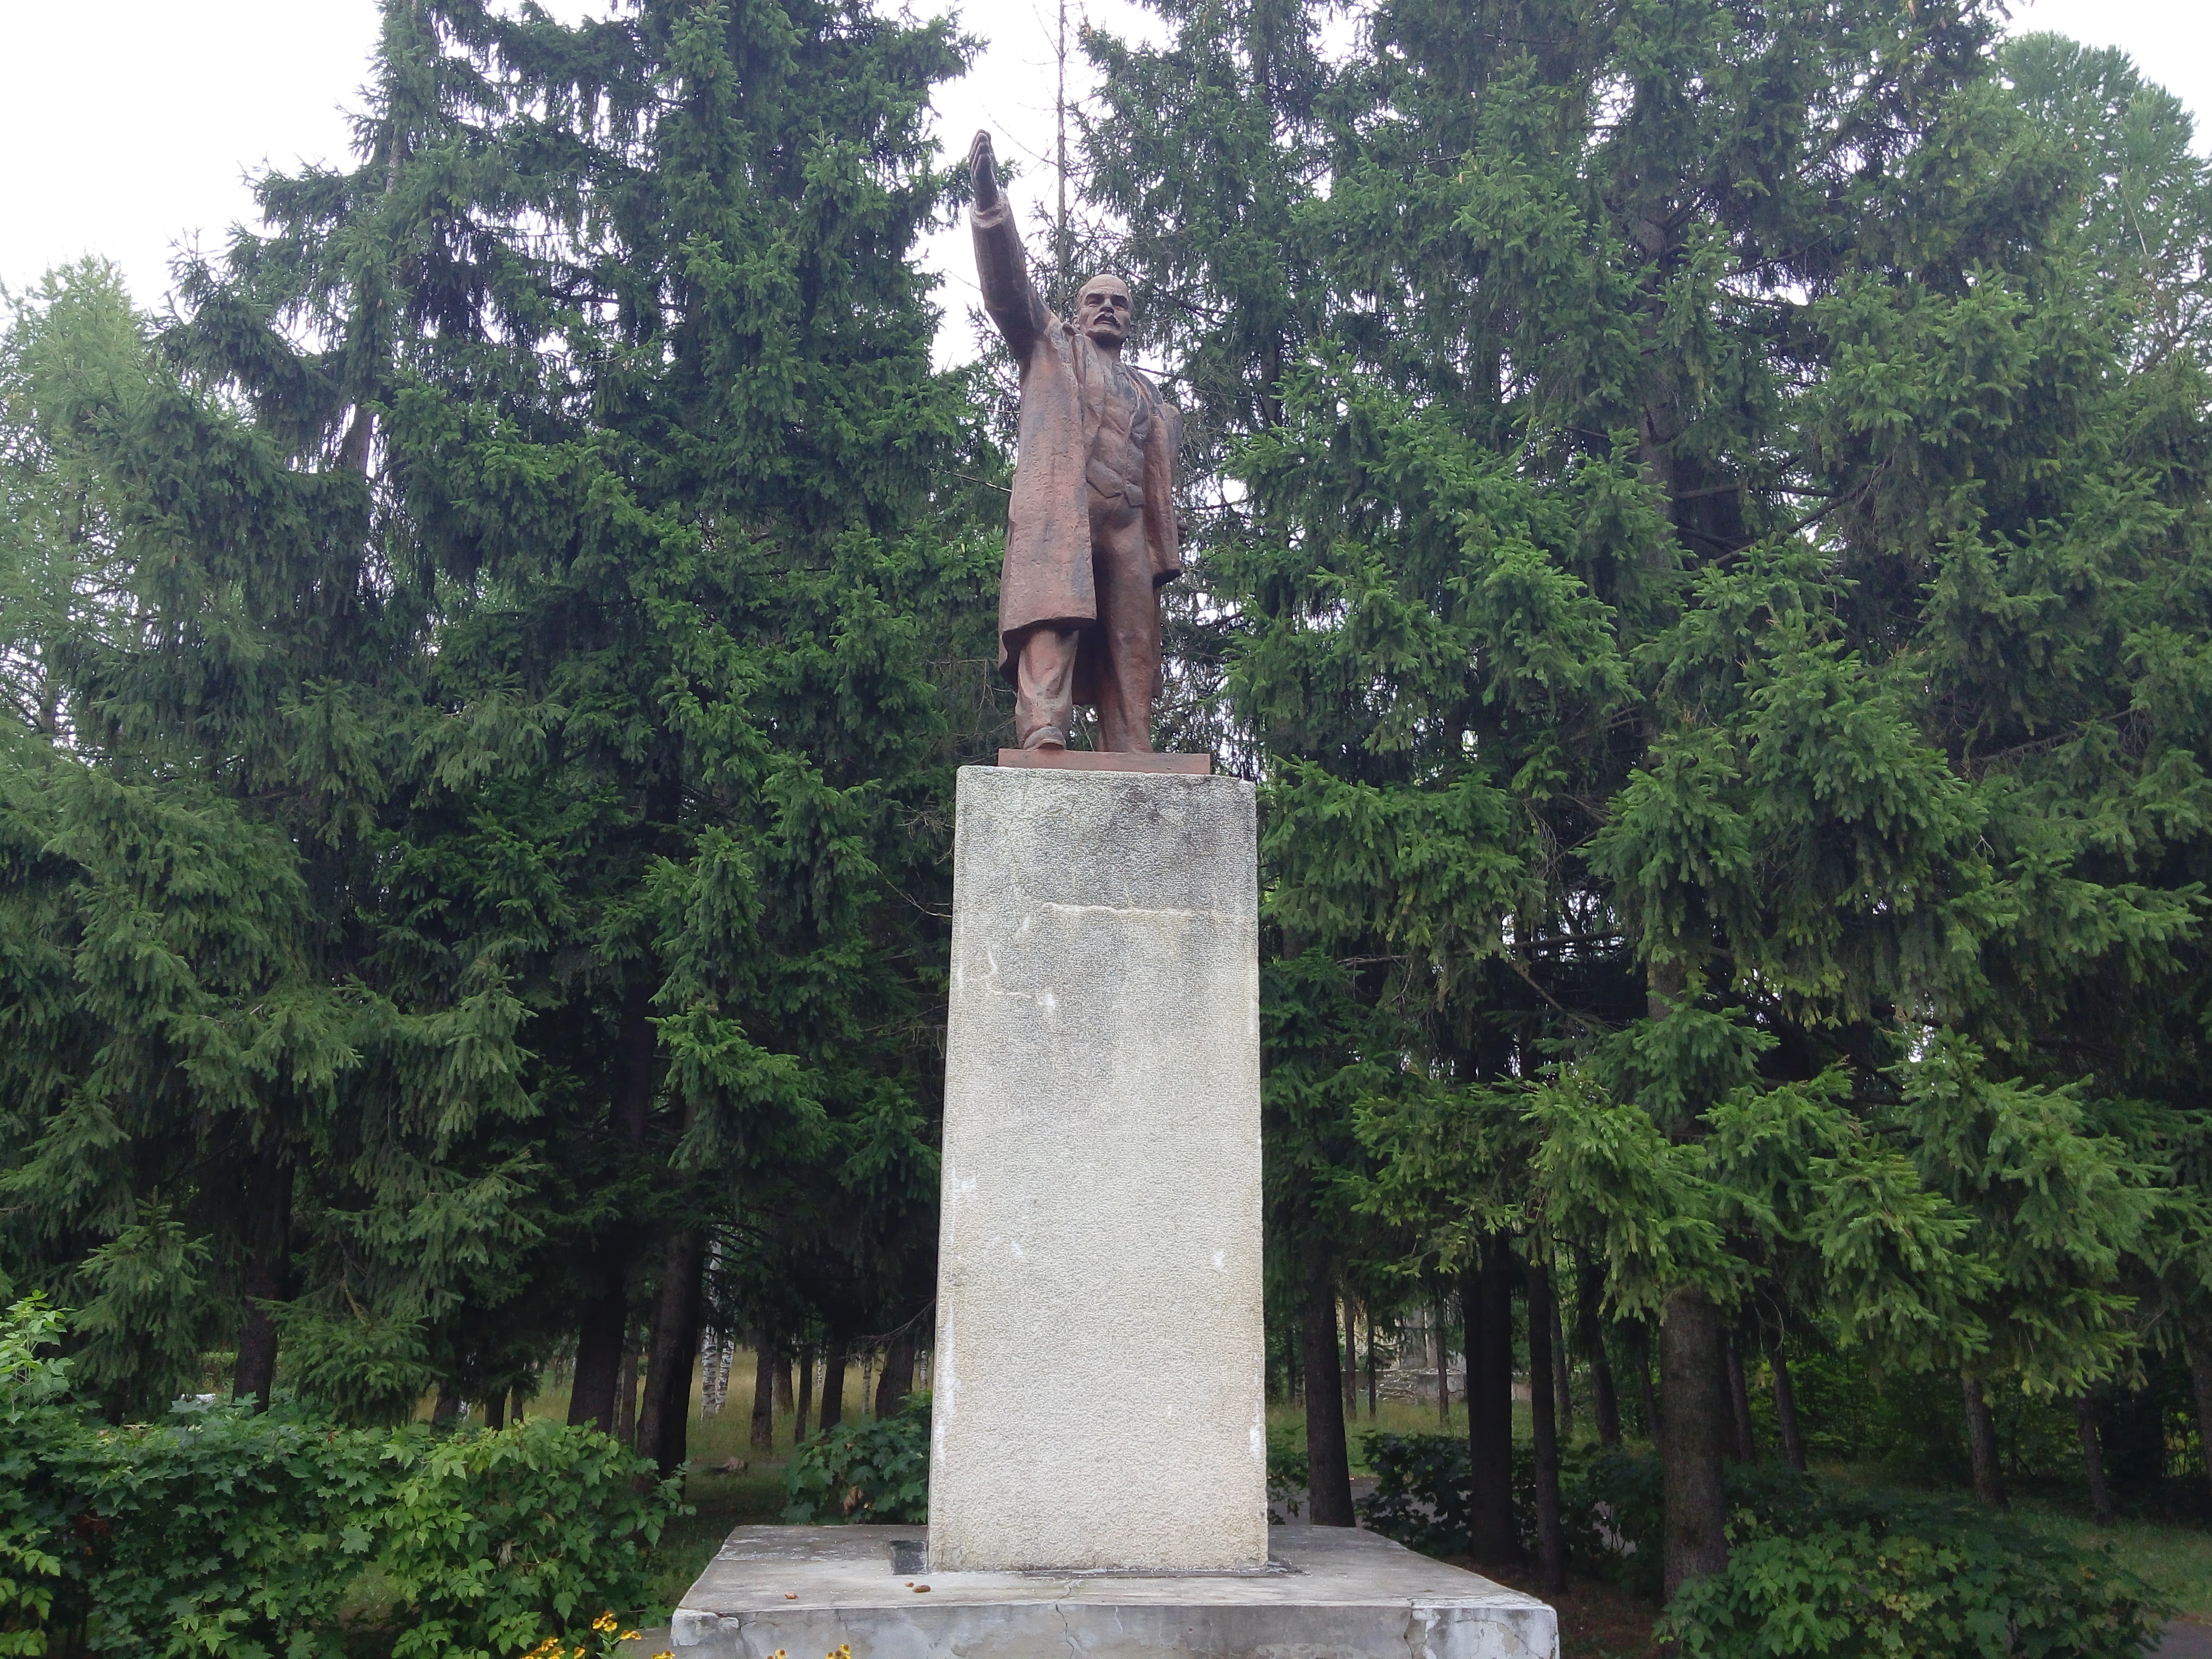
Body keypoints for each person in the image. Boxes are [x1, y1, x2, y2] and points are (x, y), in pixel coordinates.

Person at [969, 128, 1183, 752]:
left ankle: (1131, 745)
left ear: (1130, 316)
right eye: (1096, 300)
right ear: (1079, 310)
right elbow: (1008, 294)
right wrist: (989, 210)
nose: (1108, 308)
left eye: (1119, 302)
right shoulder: (1050, 347)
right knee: (1054, 613)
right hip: (1067, 506)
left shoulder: (1150, 396)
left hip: (1128, 526)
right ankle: (1043, 728)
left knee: (1133, 640)